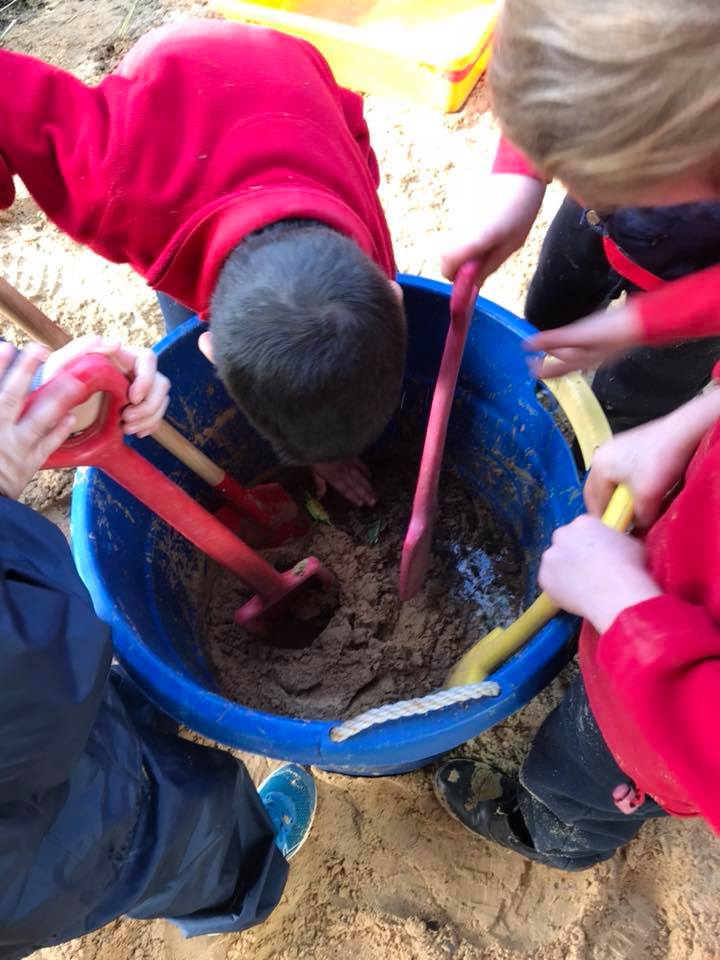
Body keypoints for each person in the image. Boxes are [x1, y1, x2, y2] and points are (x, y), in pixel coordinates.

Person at [434, 0, 720, 870]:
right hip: (667, 550)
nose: (590, 205)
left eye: (616, 186)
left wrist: (630, 615)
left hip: (669, 695)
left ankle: (551, 829)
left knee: (585, 773)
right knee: (566, 295)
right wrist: (692, 419)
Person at [0, 19, 407, 507]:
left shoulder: (374, 260)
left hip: (294, 74)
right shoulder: (116, 184)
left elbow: (352, 124)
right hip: (172, 92)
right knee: (191, 319)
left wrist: (324, 450)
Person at [0, 340, 317, 957]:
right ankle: (244, 875)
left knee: (106, 709)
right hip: (46, 849)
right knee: (182, 842)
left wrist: (57, 402)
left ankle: (142, 721)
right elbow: (31, 677)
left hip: (43, 726)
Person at [443, 0, 720, 432]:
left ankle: (610, 433)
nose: (584, 191)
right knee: (550, 311)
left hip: (696, 288)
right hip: (598, 233)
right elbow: (550, 68)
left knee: (639, 395)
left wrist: (652, 321)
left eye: (622, 185)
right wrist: (522, 180)